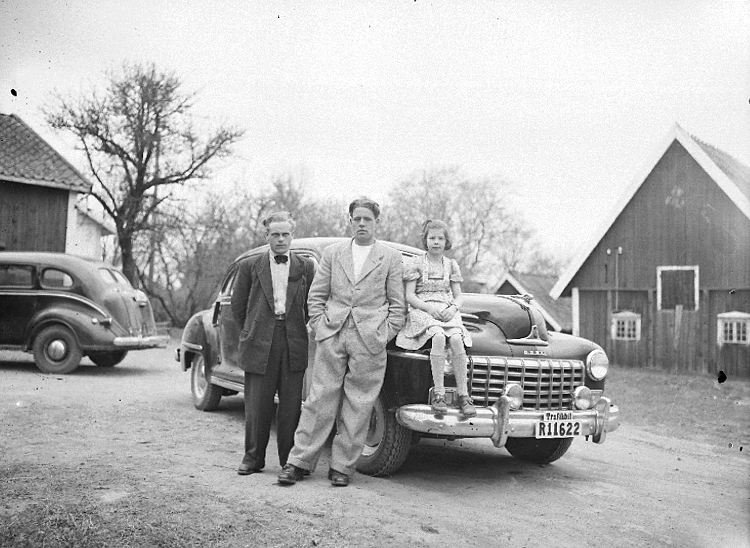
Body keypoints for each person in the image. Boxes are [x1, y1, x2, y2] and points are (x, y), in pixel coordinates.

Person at [277, 197, 406, 487]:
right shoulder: (334, 253)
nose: (361, 223)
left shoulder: (390, 257)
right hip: (332, 334)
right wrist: (320, 327)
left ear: (377, 222)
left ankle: (342, 467)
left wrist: (382, 334)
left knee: (359, 404)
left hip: (370, 340)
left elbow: (398, 307)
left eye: (367, 219)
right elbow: (316, 296)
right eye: (356, 218)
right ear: (350, 221)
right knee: (319, 399)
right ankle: (299, 462)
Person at [230, 211, 316, 476]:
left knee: (290, 408)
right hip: (259, 341)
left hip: (293, 341)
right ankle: (252, 458)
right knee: (257, 405)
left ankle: (289, 462)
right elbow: (238, 307)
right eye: (275, 234)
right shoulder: (249, 266)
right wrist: (253, 331)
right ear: (266, 235)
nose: (280, 239)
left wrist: (298, 327)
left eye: (285, 234)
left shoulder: (306, 267)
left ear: (292, 236)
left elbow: (311, 305)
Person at [396, 219, 475, 418]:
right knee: (438, 337)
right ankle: (439, 394)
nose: (436, 242)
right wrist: (429, 309)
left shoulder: (451, 265)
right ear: (426, 240)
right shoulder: (416, 263)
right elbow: (409, 296)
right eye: (432, 238)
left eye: (440, 238)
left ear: (446, 241)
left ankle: (464, 395)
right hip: (423, 309)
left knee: (456, 340)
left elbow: (459, 296)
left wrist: (453, 308)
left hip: (446, 310)